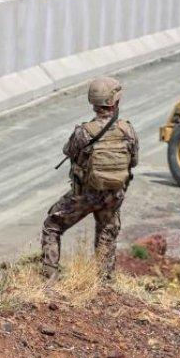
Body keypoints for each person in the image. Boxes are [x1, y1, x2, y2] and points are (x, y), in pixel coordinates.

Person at [39, 76, 139, 281]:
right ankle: (104, 286)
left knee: (52, 225)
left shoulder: (83, 133)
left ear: (93, 103)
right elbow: (134, 161)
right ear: (116, 102)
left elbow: (69, 151)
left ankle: (49, 281)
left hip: (86, 195)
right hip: (113, 196)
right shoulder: (127, 130)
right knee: (106, 235)